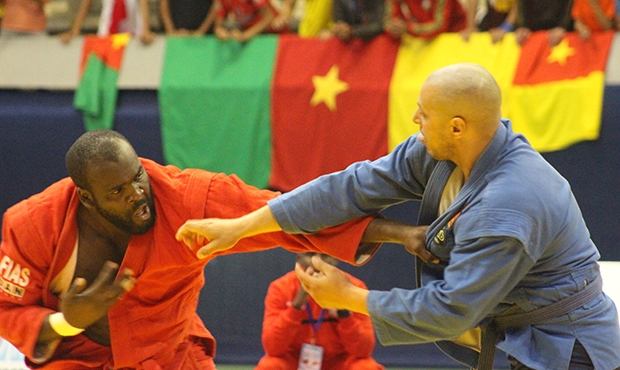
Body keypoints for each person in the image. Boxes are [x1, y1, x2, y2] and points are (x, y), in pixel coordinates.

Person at [176, 63, 620, 369]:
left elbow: (451, 310)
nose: (414, 120)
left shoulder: (509, 203)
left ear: (457, 126)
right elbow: (348, 189)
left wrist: (348, 298)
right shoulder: (443, 155)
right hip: (524, 334)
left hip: (571, 347)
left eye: (423, 116)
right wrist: (242, 225)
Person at [0, 130, 392, 369]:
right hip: (76, 361)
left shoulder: (186, 198)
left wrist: (397, 233)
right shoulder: (33, 225)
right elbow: (7, 310)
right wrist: (66, 322)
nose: (137, 194)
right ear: (86, 198)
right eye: (117, 192)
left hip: (170, 357)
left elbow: (282, 214)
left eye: (137, 177)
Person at [256, 252, 384, 370]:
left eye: (325, 256)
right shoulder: (280, 288)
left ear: (335, 258)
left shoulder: (355, 287)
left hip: (338, 362)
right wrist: (297, 305)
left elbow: (363, 350)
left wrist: (343, 310)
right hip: (294, 361)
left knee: (366, 367)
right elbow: (272, 347)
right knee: (269, 366)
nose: (317, 262)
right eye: (310, 255)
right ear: (299, 257)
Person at [59, 0, 155, 45]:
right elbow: (86, 5)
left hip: (132, 36)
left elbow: (144, 4)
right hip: (106, 35)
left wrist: (146, 30)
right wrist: (75, 31)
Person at [383, 0, 468, 40]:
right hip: (421, 44)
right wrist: (395, 28)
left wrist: (408, 28)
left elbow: (440, 26)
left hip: (454, 40)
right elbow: (388, 21)